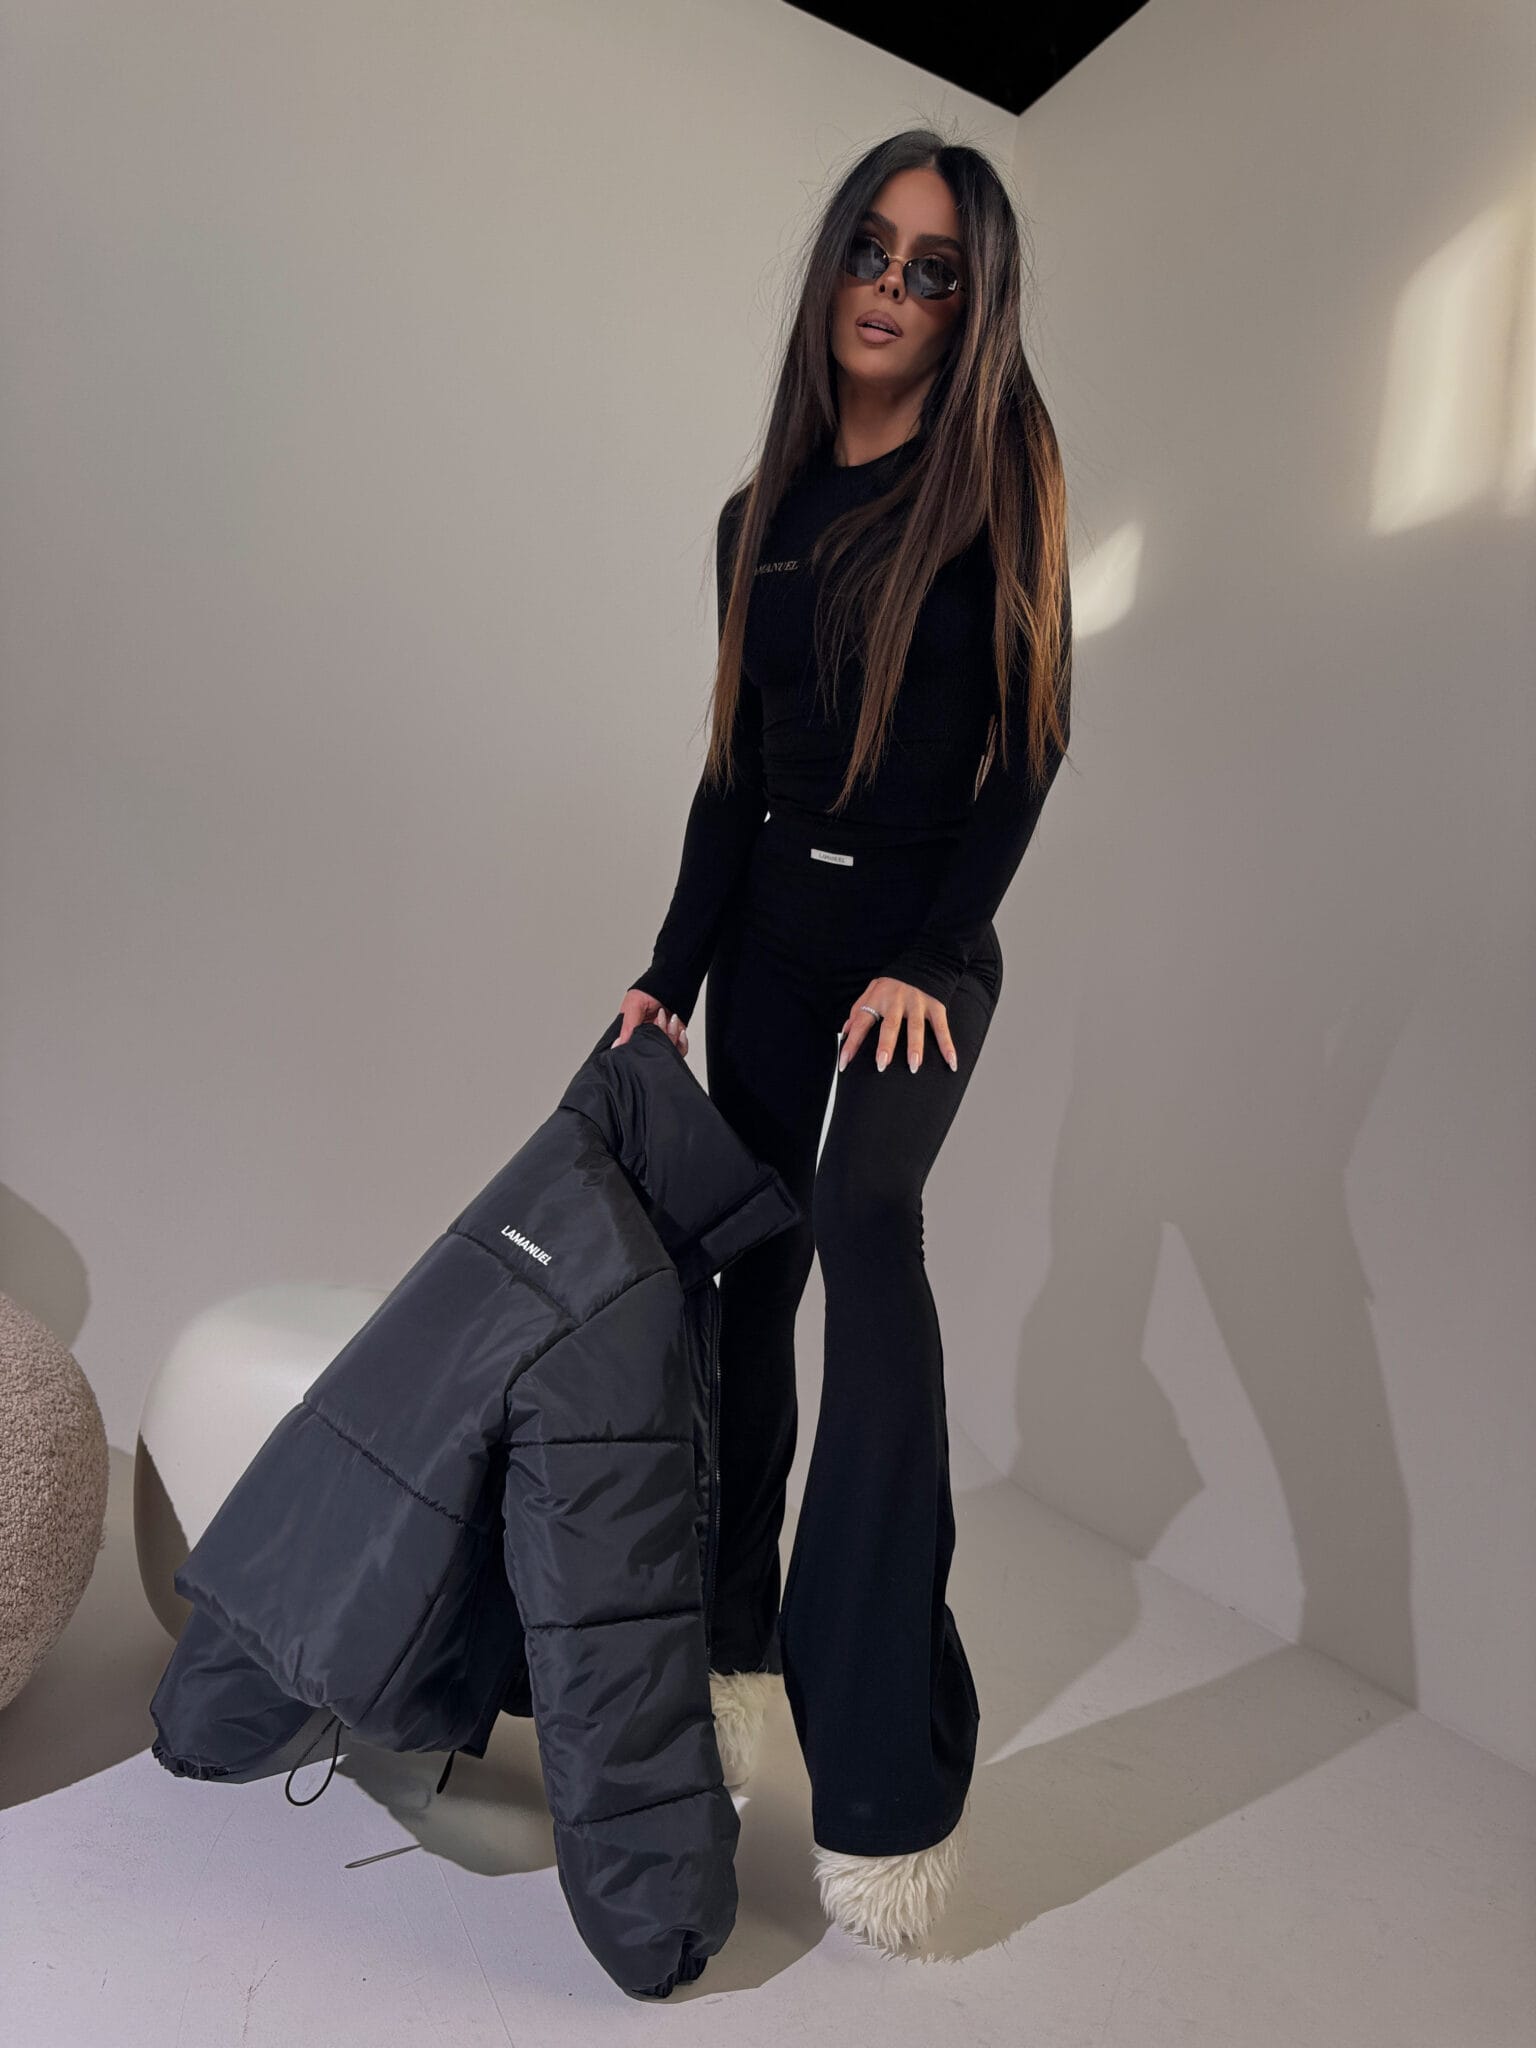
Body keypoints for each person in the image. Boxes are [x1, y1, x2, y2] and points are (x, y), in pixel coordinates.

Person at [614, 129, 1074, 1955]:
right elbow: (731, 775)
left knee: (867, 1228)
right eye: (871, 252)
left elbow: (1032, 743)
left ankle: (885, 1770)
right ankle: (729, 1655)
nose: (891, 287)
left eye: (932, 268)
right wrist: (669, 973)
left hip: (915, 958)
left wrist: (941, 950)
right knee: (748, 1280)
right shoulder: (759, 517)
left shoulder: (1000, 473)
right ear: (832, 270)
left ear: (972, 305)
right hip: (774, 949)